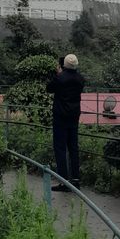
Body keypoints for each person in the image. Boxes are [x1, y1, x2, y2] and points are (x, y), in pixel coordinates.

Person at [46, 53, 85, 192]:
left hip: (60, 117)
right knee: (73, 148)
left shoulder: (60, 78)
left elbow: (48, 88)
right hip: (74, 117)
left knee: (60, 149)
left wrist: (58, 74)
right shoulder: (80, 79)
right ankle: (76, 180)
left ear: (64, 65)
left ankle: (64, 182)